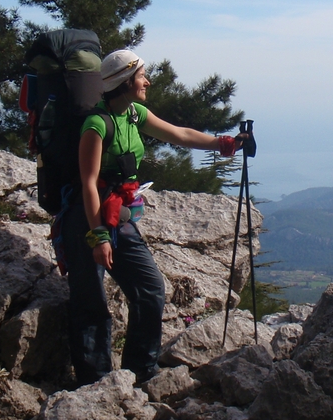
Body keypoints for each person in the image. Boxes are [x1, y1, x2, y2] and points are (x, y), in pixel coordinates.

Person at [62, 49, 243, 386]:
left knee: (150, 288)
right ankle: (95, 382)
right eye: (142, 76)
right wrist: (98, 237)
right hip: (88, 220)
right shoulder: (96, 124)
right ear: (125, 81)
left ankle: (140, 371)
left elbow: (180, 134)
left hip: (118, 215)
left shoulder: (133, 114)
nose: (147, 81)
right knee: (90, 300)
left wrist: (224, 143)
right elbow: (88, 183)